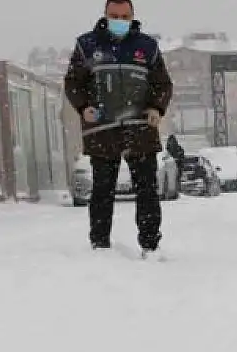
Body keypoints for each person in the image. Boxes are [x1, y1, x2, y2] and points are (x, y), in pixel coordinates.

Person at [63, 0, 172, 256]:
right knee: (102, 190)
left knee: (147, 190)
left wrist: (156, 107)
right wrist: (84, 107)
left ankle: (150, 245)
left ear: (133, 16)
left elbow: (162, 83)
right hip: (102, 129)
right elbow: (73, 83)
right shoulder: (86, 45)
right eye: (114, 15)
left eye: (124, 16)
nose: (119, 20)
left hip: (141, 128)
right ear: (105, 15)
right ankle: (100, 245)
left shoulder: (147, 46)